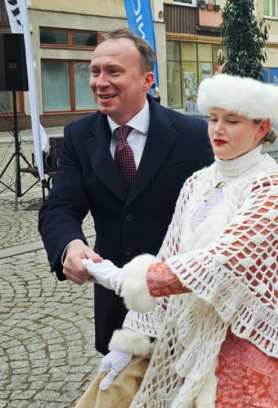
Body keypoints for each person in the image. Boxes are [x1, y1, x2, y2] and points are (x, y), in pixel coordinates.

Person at [78, 74, 278, 407]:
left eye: (232, 120)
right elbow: (169, 254)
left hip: (256, 339)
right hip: (197, 337)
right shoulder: (197, 183)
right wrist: (131, 341)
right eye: (213, 119)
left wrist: (133, 279)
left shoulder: (277, 188)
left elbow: (223, 260)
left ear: (261, 128)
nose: (218, 129)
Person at [39, 29, 214, 355]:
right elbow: (60, 205)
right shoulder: (78, 136)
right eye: (95, 71)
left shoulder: (192, 134)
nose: (100, 82)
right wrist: (69, 245)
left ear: (147, 81)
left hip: (181, 297)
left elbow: (218, 208)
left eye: (113, 71)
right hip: (117, 300)